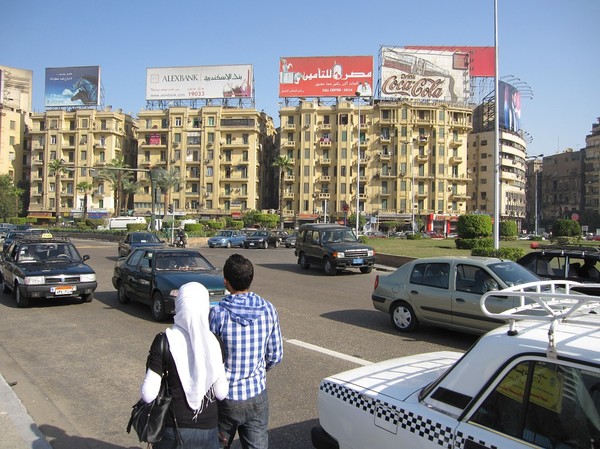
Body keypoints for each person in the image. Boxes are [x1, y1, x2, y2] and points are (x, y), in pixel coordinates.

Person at [140, 282, 229, 448]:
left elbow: (148, 395)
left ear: (179, 305)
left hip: (173, 429)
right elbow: (221, 392)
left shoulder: (164, 340)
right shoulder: (214, 342)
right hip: (208, 429)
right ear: (205, 307)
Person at [209, 254, 283, 449]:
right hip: (257, 394)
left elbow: (209, 358)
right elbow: (276, 355)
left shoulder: (218, 314)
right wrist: (256, 370)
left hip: (225, 397)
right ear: (251, 278)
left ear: (226, 282)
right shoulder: (268, 309)